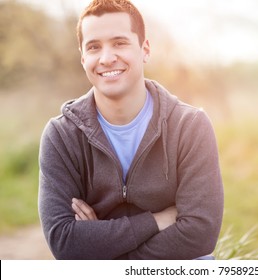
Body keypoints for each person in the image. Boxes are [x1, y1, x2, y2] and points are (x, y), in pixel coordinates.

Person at [38, 0, 224, 260]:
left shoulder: (190, 126)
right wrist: (158, 221)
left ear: (144, 49)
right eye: (94, 47)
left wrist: (102, 251)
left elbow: (200, 234)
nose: (106, 58)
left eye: (119, 43)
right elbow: (64, 242)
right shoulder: (62, 135)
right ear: (83, 58)